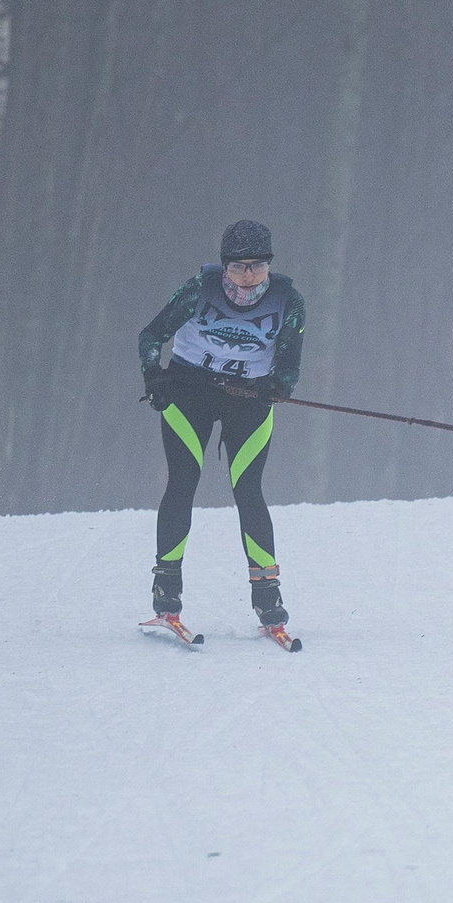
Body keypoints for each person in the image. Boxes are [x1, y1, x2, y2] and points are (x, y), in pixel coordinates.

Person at [137, 219, 306, 633]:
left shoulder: (288, 299)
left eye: (257, 266)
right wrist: (152, 377)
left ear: (269, 264)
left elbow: (289, 365)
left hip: (246, 400)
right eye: (237, 267)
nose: (248, 277)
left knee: (248, 489)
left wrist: (277, 387)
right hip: (189, 393)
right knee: (183, 481)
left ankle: (268, 597)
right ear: (223, 265)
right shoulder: (200, 289)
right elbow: (150, 336)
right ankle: (167, 592)